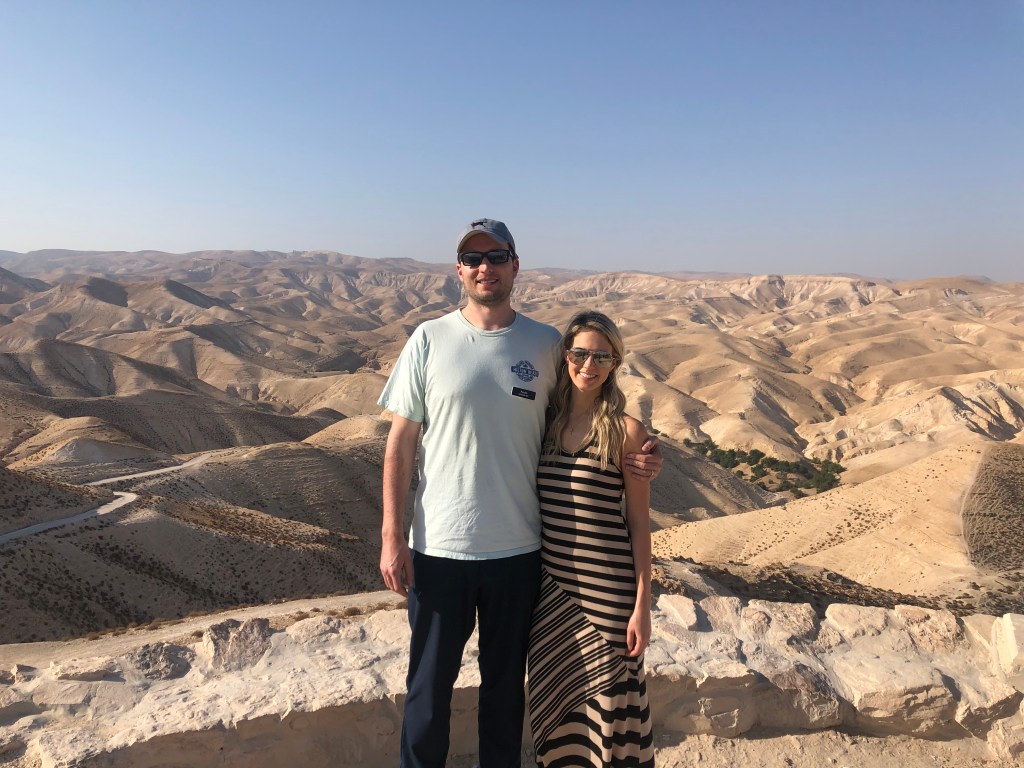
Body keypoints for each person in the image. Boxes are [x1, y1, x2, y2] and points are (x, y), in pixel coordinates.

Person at [378, 219, 661, 768]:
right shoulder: (429, 339)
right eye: (473, 258)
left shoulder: (547, 344)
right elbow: (401, 443)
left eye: (496, 256)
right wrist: (392, 535)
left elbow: (586, 408)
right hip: (440, 548)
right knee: (428, 691)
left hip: (520, 554)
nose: (485, 267)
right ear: (459, 269)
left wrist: (647, 450)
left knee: (505, 692)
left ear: (515, 265)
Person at [528, 311, 654, 767]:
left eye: (602, 356)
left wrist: (642, 605)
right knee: (552, 709)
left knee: (609, 722)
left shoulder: (627, 432)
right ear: (566, 356)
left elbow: (638, 523)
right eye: (580, 353)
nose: (589, 365)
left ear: (615, 363)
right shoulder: (543, 423)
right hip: (550, 596)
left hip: (609, 600)